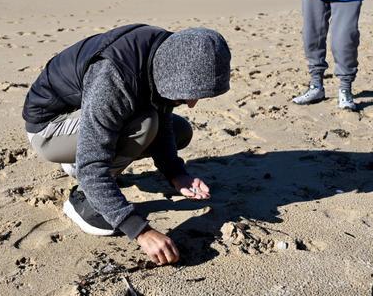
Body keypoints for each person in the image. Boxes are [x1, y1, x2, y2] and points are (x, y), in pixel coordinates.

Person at [21, 24, 231, 265]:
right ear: (173, 73)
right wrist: (141, 231)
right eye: (189, 94)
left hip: (85, 116)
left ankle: (83, 162)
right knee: (143, 127)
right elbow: (92, 167)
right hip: (49, 128)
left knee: (178, 130)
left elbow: (162, 117)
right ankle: (83, 201)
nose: (192, 104)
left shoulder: (168, 52)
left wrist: (176, 174)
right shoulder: (113, 76)